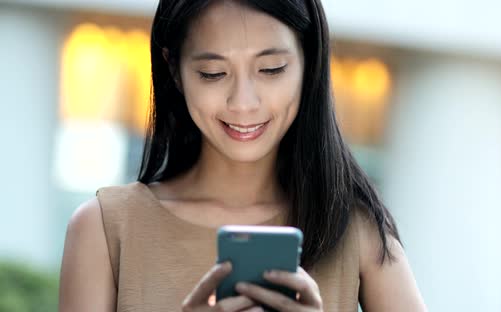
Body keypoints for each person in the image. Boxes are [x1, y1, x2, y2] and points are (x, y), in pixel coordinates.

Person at [58, 0, 427, 311]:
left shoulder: (356, 229)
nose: (243, 103)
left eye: (271, 69)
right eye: (213, 73)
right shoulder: (105, 229)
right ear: (174, 71)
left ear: (309, 62)